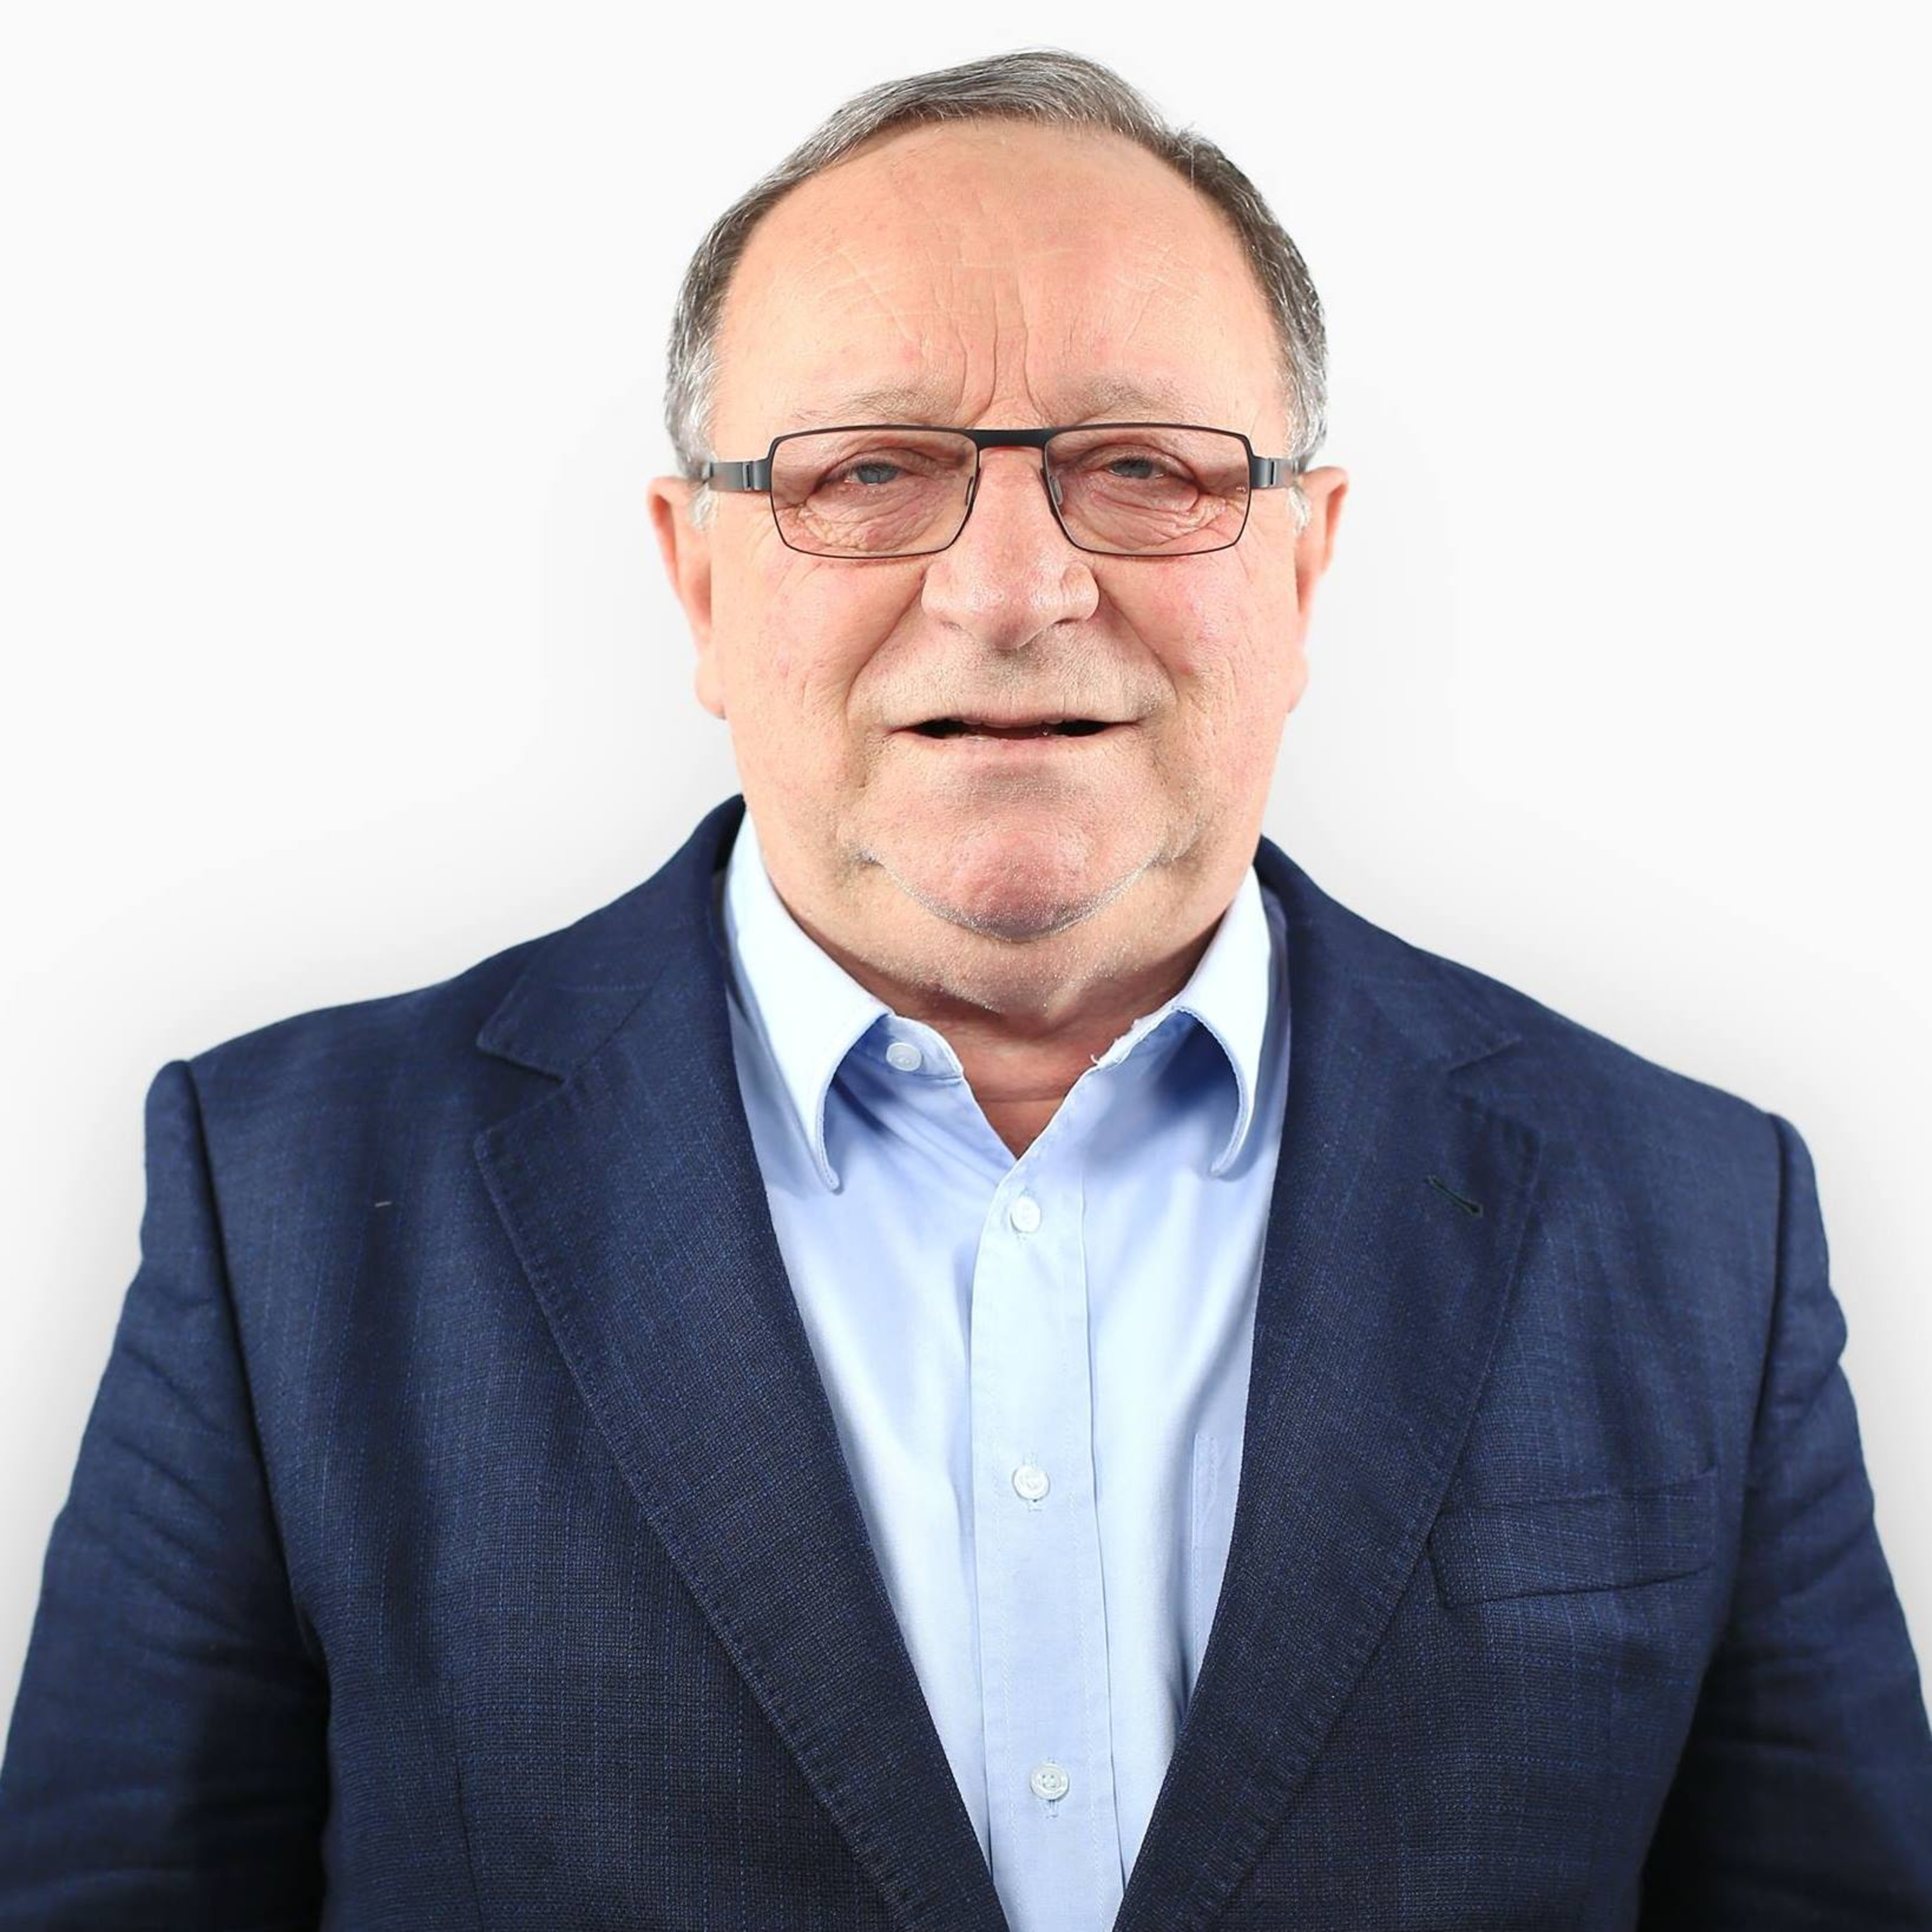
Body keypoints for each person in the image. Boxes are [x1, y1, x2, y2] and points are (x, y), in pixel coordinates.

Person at [3, 43, 1929, 1931]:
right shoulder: (288, 1203)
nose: (1013, 591)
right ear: (699, 581)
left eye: (1146, 468)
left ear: (1305, 568)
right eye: (869, 471)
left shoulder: (1694, 1217)